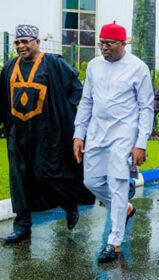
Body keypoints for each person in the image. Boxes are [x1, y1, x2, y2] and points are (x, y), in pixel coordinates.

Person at [0, 24, 95, 244]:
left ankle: (69, 204)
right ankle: (22, 226)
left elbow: (76, 89)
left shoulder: (53, 63)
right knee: (19, 178)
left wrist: (64, 111)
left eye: (25, 42)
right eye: (17, 42)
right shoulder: (9, 67)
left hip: (47, 133)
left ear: (37, 42)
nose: (21, 46)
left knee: (46, 175)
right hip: (18, 134)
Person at [73, 21, 154, 262]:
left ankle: (114, 242)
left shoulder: (138, 68)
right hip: (97, 134)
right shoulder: (94, 66)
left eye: (109, 44)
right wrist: (79, 134)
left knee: (119, 186)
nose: (104, 48)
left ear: (122, 44)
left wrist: (140, 142)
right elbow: (86, 101)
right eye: (101, 44)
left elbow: (146, 107)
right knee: (91, 181)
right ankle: (124, 208)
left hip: (124, 135)